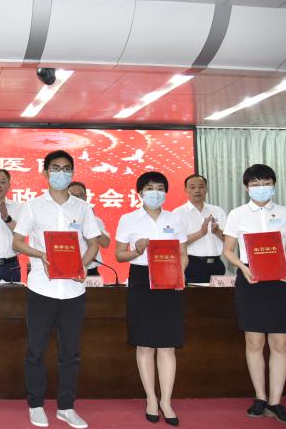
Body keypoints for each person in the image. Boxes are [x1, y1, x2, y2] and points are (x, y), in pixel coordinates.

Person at [12, 150, 100, 429]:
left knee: (70, 352)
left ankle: (66, 407)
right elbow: (17, 242)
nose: (61, 173)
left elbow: (94, 243)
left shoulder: (82, 208)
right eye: (55, 168)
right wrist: (41, 255)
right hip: (42, 288)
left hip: (73, 291)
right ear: (45, 172)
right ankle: (36, 404)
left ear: (72, 173)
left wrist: (83, 265)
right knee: (36, 349)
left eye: (66, 168)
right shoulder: (32, 206)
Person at [222, 164, 286, 425]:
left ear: (274, 184)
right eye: (255, 184)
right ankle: (260, 397)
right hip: (251, 280)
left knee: (280, 344)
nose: (261, 188)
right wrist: (243, 267)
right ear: (246, 187)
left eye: (265, 183)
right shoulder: (237, 214)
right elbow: (228, 249)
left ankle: (275, 402)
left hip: (280, 281)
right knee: (254, 343)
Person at [114, 171, 188, 426]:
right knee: (144, 344)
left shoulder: (175, 218)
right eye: (149, 188)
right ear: (140, 193)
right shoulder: (128, 219)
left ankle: (166, 401)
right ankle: (151, 399)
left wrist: (179, 274)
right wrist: (137, 250)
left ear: (165, 192)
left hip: (169, 279)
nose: (155, 193)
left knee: (167, 345)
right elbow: (119, 255)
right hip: (141, 280)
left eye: (159, 188)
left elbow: (183, 253)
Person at [172, 174, 227, 283]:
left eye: (201, 187)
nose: (197, 190)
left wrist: (217, 231)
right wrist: (201, 233)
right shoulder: (177, 213)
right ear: (185, 190)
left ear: (206, 189)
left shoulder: (217, 211)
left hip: (217, 264)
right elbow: (175, 243)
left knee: (220, 294)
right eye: (192, 187)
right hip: (192, 265)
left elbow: (228, 239)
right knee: (194, 294)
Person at [68, 181, 110, 277]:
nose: (77, 199)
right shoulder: (62, 219)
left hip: (91, 269)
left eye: (81, 195)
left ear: (86, 197)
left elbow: (106, 243)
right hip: (67, 267)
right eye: (73, 195)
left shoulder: (95, 220)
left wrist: (90, 222)